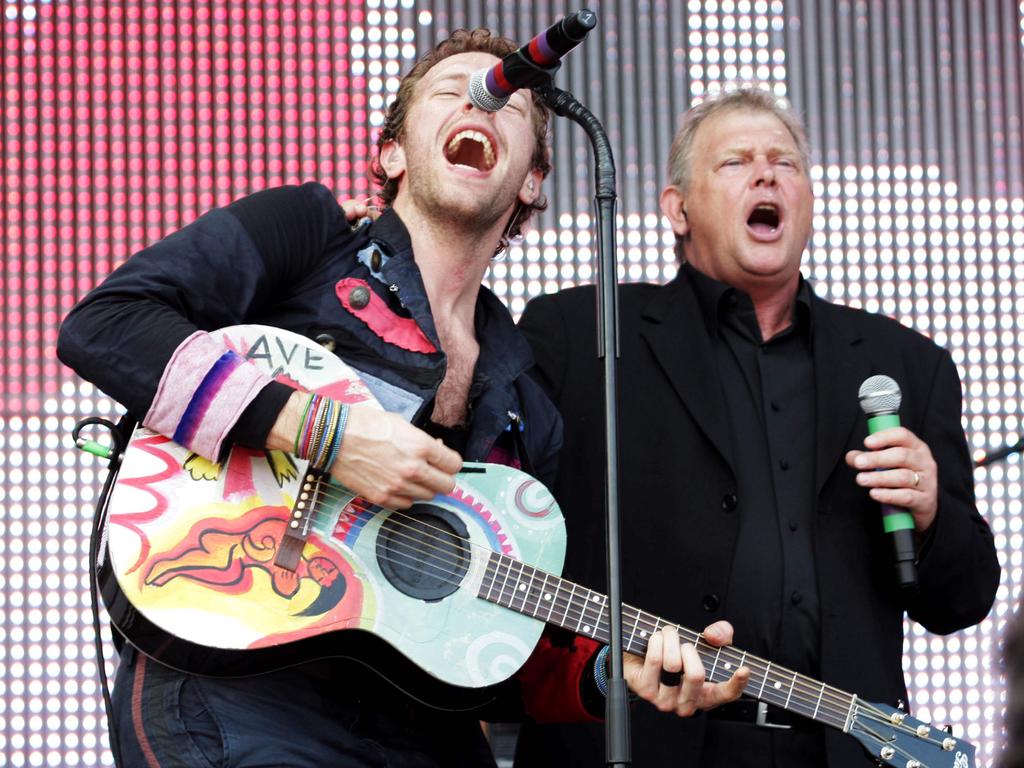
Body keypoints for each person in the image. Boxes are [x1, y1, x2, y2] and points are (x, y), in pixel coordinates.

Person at [57, 29, 747, 768]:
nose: (485, 99)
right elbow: (106, 325)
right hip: (237, 689)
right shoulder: (310, 237)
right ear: (391, 154)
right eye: (451, 92)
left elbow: (490, 646)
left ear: (531, 183)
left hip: (417, 734)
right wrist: (326, 434)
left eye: (510, 106)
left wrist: (612, 673)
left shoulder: (526, 399)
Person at [512, 86, 1001, 767]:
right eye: (736, 161)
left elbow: (964, 599)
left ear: (807, 204)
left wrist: (929, 513)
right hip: (639, 741)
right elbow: (504, 526)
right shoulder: (581, 334)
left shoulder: (905, 366)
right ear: (677, 210)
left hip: (836, 750)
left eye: (786, 163)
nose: (767, 173)